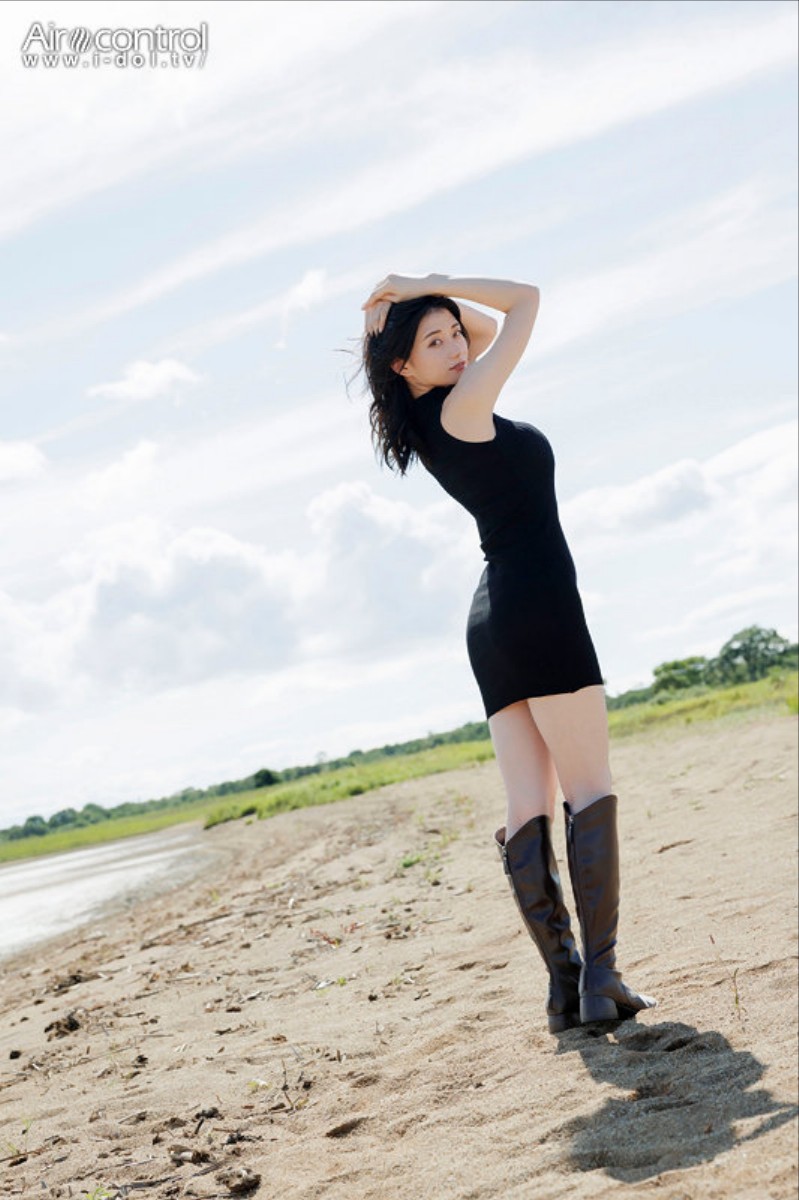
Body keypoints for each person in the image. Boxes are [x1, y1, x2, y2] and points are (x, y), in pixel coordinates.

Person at [359, 273, 655, 1033]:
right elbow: (523, 301)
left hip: (492, 617)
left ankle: (565, 986)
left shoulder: (429, 416)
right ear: (403, 365)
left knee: (528, 805)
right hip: (537, 600)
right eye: (434, 343)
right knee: (589, 788)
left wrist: (418, 317)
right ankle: (602, 979)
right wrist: (429, 285)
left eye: (453, 333)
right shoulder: (461, 408)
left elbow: (483, 331)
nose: (457, 345)